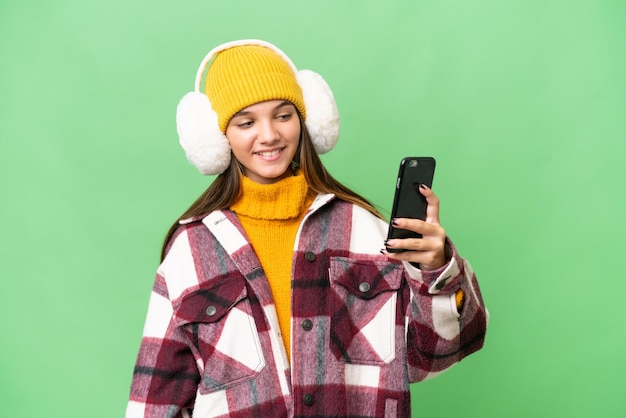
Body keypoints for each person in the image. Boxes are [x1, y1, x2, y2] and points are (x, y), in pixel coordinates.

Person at [126, 39, 488, 418]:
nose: (269, 135)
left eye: (283, 115)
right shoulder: (191, 251)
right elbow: (154, 403)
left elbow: (432, 355)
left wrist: (438, 272)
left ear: (307, 119)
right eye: (246, 122)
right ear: (216, 137)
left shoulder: (364, 230)